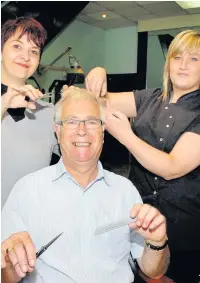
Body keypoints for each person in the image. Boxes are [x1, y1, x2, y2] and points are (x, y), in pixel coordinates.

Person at [1, 87, 170, 283]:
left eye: (91, 122)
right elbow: (6, 278)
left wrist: (157, 242)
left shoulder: (125, 191)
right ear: (57, 130)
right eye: (71, 122)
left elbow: (153, 272)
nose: (82, 131)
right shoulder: (27, 190)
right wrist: (10, 264)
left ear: (103, 131)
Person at [85, 29, 200, 282]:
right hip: (139, 219)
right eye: (177, 57)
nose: (183, 65)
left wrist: (125, 135)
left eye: (194, 59)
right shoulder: (149, 98)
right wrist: (98, 73)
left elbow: (173, 167)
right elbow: (98, 103)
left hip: (182, 229)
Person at [1, 17, 59, 206]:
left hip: (28, 227)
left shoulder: (48, 112)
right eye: (17, 47)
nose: (26, 57)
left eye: (34, 51)